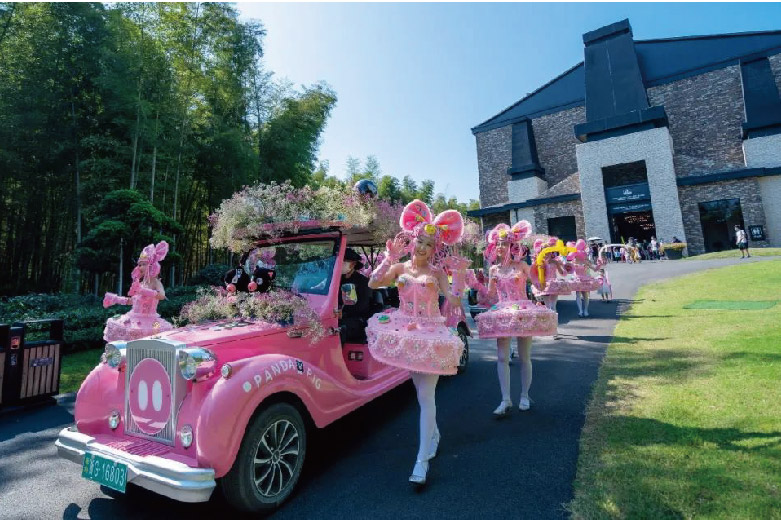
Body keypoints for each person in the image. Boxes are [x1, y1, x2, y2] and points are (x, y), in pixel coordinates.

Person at [366, 199, 464, 487]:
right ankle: (433, 435)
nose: (422, 247)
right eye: (419, 241)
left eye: (428, 244)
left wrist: (458, 275)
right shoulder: (399, 269)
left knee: (425, 396)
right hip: (404, 331)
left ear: (435, 249)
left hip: (431, 333)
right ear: (412, 240)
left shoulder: (437, 274)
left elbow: (455, 300)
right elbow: (372, 283)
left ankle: (421, 461)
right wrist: (387, 256)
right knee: (418, 389)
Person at [476, 222, 556, 417]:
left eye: (505, 243)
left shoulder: (522, 266)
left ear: (513, 246)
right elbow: (489, 297)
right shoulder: (493, 270)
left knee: (524, 356)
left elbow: (539, 284)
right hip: (502, 312)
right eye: (499, 244)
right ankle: (505, 399)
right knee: (502, 357)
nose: (501, 247)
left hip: (522, 311)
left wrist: (541, 267)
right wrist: (478, 284)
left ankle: (525, 395)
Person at [103, 241, 173, 342]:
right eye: (139, 265)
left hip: (151, 322)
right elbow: (133, 301)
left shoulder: (155, 282)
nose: (140, 267)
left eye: (143, 264)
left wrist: (144, 291)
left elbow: (162, 295)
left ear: (151, 265)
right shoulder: (141, 283)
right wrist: (115, 299)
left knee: (151, 343)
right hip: (134, 318)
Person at [338, 248, 372, 345]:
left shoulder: (363, 282)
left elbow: (362, 306)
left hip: (356, 319)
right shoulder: (336, 280)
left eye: (343, 262)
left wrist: (343, 312)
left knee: (337, 331)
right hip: (335, 316)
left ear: (352, 264)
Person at [567, 239, 601, 317]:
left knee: (586, 295)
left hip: (586, 279)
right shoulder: (573, 262)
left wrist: (599, 265)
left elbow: (595, 269)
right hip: (577, 279)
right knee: (578, 294)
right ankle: (580, 311)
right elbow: (567, 270)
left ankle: (585, 310)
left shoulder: (586, 262)